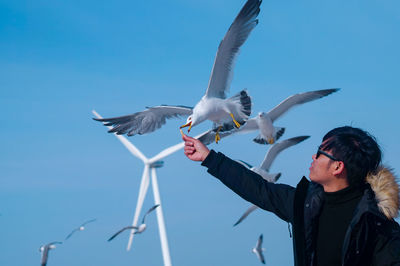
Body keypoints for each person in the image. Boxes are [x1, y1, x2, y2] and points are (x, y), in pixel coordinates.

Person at [182, 126, 400, 266]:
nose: (313, 157)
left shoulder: (378, 225)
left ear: (337, 167)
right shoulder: (306, 204)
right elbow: (259, 190)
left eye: (321, 153)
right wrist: (209, 158)